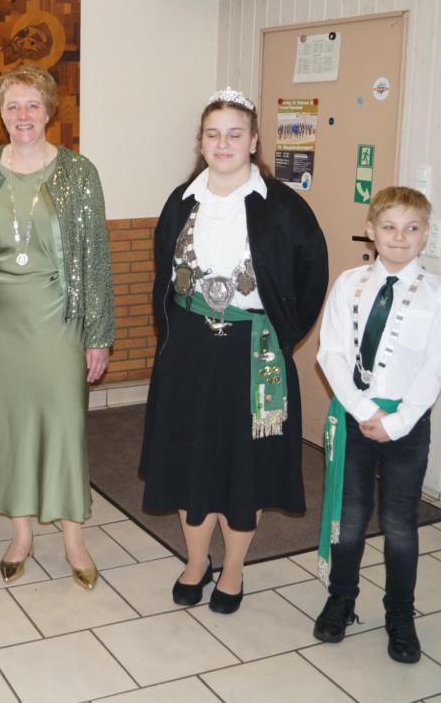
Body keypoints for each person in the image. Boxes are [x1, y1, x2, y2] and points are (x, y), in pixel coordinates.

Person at [138, 88, 328, 614]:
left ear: (254, 141)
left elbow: (312, 275)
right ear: (201, 142)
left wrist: (283, 332)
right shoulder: (181, 201)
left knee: (245, 464)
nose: (223, 144)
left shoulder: (284, 208)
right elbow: (163, 270)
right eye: (213, 134)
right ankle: (196, 562)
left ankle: (234, 569)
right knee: (190, 458)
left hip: (254, 353)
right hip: (188, 352)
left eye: (235, 134)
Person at [0, 64, 114, 590]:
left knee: (63, 424)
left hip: (58, 320)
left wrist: (98, 333)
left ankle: (73, 538)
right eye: (12, 105)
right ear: (1, 112)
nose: (22, 115)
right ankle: (20, 534)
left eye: (32, 105)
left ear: (48, 111)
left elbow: (96, 257)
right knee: (6, 425)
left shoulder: (79, 172)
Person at [313, 186, 441, 663]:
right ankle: (341, 598)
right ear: (371, 230)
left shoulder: (440, 294)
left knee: (399, 522)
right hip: (355, 416)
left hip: (407, 424)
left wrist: (397, 422)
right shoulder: (349, 283)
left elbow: (435, 367)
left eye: (411, 228)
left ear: (426, 234)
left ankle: (400, 612)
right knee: (351, 516)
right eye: (390, 227)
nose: (400, 237)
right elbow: (331, 354)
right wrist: (363, 411)